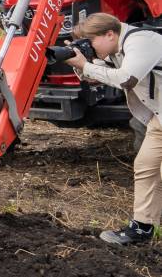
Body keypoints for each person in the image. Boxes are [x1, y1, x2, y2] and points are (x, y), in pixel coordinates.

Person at [65, 13, 162, 244]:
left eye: (91, 42)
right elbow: (100, 76)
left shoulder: (141, 42)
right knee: (146, 166)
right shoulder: (117, 47)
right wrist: (81, 64)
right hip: (159, 118)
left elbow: (125, 79)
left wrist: (86, 64)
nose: (89, 46)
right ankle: (142, 228)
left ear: (110, 34)